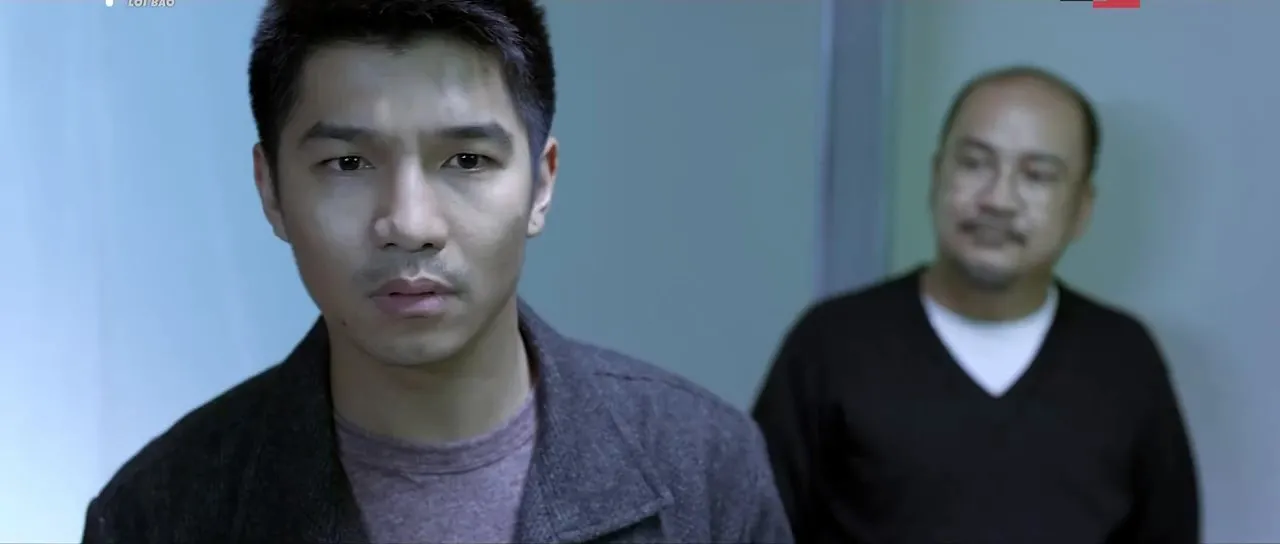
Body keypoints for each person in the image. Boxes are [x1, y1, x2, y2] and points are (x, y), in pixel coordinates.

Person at [81, 1, 791, 542]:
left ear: (541, 184)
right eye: (347, 163)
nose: (410, 223)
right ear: (271, 192)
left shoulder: (703, 466)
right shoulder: (159, 511)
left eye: (467, 160)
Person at [752, 65, 1200, 544]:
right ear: (936, 174)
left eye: (1037, 175)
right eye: (974, 163)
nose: (999, 199)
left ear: (1082, 208)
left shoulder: (1124, 360)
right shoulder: (833, 343)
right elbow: (752, 524)